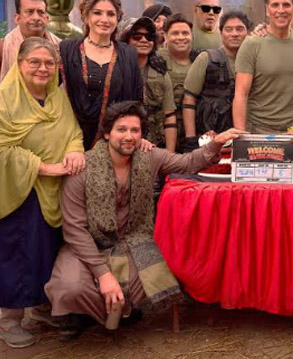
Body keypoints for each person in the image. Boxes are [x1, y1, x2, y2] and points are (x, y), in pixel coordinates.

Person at [44, 101, 243, 339]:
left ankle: (115, 311)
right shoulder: (82, 168)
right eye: (121, 129)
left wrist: (216, 143)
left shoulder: (149, 157)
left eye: (135, 130)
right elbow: (74, 230)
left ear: (141, 135)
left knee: (153, 281)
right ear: (107, 133)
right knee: (70, 288)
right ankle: (87, 314)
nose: (128, 136)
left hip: (133, 241)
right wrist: (103, 275)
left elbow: (187, 163)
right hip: (88, 246)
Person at [0, 37, 84, 348]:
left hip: (52, 191)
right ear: (20, 64)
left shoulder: (57, 98)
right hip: (15, 192)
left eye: (49, 63)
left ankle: (41, 305)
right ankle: (8, 319)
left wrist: (74, 150)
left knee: (45, 250)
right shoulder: (2, 102)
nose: (42, 68)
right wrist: (41, 166)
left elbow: (73, 132)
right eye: (34, 62)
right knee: (16, 253)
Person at [60, 0, 143, 151]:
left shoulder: (128, 54)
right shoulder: (67, 50)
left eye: (111, 14)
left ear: (117, 19)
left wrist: (139, 135)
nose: (104, 19)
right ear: (86, 17)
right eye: (97, 13)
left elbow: (137, 100)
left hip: (115, 142)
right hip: (70, 139)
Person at [232, 0, 293, 133]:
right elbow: (241, 94)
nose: (281, 10)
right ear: (267, 10)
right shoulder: (251, 43)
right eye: (275, 5)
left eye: (286, 5)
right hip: (258, 130)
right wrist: (241, 136)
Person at [182, 10, 250, 151]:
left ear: (247, 32)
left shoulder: (253, 60)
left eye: (239, 29)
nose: (234, 34)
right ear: (221, 32)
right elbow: (189, 99)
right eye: (228, 29)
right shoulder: (206, 58)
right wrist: (190, 138)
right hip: (211, 135)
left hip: (246, 134)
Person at [0, 0, 61, 102]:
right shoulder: (1, 50)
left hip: (52, 110)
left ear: (47, 19)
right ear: (17, 18)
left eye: (41, 13)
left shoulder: (60, 48)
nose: (36, 17)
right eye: (29, 12)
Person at [119, 17, 177, 151]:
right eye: (137, 36)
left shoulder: (161, 73)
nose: (144, 40)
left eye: (149, 37)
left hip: (155, 146)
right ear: (126, 39)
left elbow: (169, 116)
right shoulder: (115, 71)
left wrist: (169, 155)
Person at [158, 14, 199, 151]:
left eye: (185, 33)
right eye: (175, 33)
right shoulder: (157, 59)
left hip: (193, 131)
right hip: (163, 132)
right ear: (165, 36)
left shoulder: (200, 61)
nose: (181, 37)